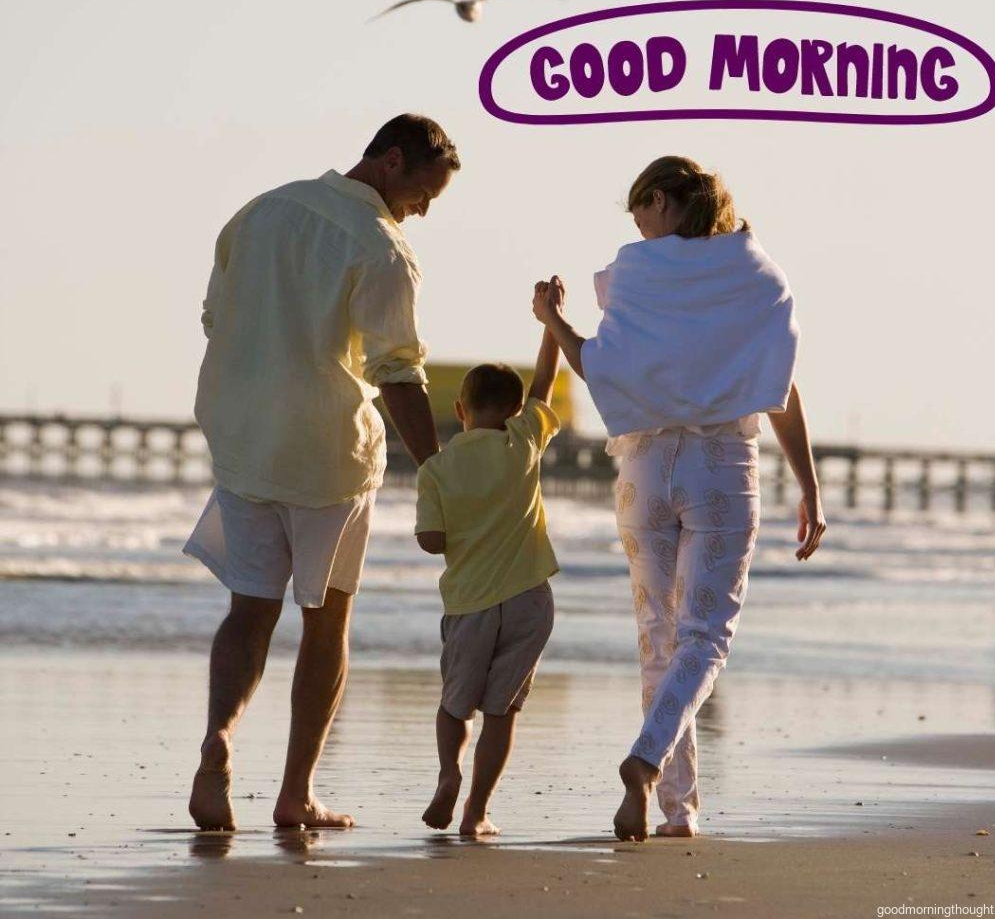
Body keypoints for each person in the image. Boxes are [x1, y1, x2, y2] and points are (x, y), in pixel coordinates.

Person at [531, 156, 826, 842]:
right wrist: (808, 485)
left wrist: (552, 319)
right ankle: (648, 765)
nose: (637, 226)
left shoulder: (636, 271)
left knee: (658, 640)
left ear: (660, 201)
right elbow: (778, 386)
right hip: (722, 465)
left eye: (638, 210)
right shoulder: (758, 279)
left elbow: (600, 364)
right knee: (704, 638)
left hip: (643, 467)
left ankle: (677, 809)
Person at [183, 114, 459, 831]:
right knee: (326, 620)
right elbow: (397, 373)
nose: (423, 211)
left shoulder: (260, 210)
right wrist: (436, 470)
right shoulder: (381, 248)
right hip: (328, 454)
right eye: (423, 195)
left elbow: (216, 318)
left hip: (243, 441)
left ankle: (218, 740)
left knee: (248, 611)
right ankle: (295, 792)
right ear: (391, 162)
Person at [415, 315, 562, 837]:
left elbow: (432, 541)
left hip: (469, 604)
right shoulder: (522, 442)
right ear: (517, 412)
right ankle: (477, 812)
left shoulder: (435, 470)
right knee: (501, 711)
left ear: (460, 411)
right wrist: (550, 326)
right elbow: (544, 384)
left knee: (455, 704)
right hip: (528, 600)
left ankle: (449, 773)